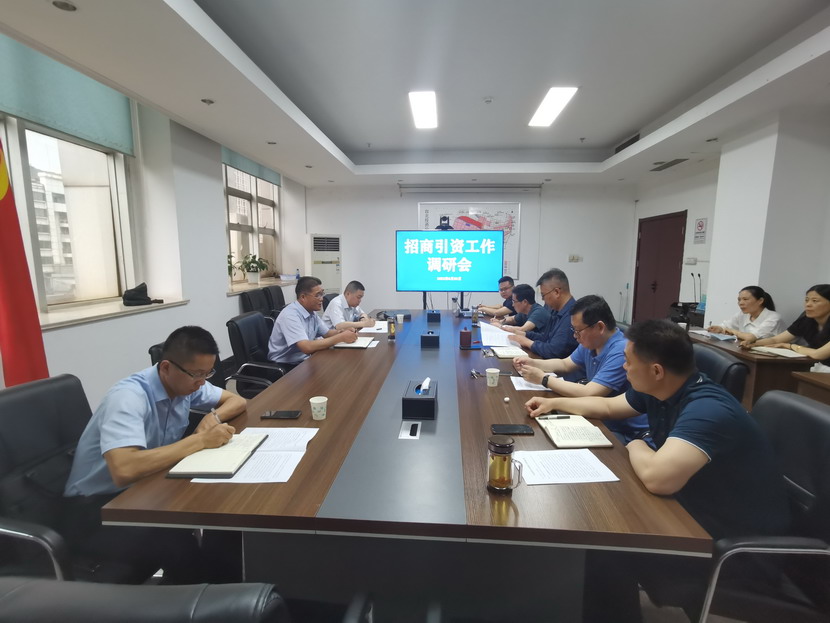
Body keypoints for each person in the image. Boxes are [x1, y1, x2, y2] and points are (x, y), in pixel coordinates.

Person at [525, 319, 790, 622]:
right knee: (602, 528)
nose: (624, 367)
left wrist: (637, 444)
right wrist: (553, 403)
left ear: (656, 371)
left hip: (735, 549)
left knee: (605, 544)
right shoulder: (663, 388)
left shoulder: (708, 410)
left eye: (628, 361)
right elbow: (609, 407)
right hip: (693, 514)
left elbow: (658, 479)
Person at [63, 326, 247, 582]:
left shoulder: (186, 385)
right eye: (197, 374)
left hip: (146, 487)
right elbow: (124, 470)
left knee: (225, 513)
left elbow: (237, 401)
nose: (202, 382)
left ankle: (224, 586)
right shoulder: (128, 398)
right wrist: (200, 441)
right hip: (97, 507)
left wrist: (213, 416)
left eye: (208, 373)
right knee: (178, 543)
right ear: (166, 368)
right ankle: (198, 594)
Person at [514, 295, 648, 443]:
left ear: (600, 327)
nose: (575, 335)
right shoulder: (591, 342)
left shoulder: (620, 350)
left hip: (624, 431)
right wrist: (533, 363)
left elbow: (590, 392)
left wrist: (544, 379)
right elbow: (565, 364)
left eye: (578, 330)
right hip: (598, 416)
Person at [268, 276, 358, 367]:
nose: (322, 299)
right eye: (317, 295)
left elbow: (327, 333)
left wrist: (342, 332)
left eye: (322, 294)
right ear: (303, 297)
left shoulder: (311, 312)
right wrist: (341, 337)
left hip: (304, 359)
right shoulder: (290, 315)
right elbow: (307, 347)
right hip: (284, 365)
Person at [741, 284, 830, 371]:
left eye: (815, 301)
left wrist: (789, 346)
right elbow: (775, 340)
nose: (808, 304)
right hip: (820, 366)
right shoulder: (806, 320)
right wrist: (753, 344)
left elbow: (817, 354)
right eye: (806, 300)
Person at [506, 268, 578, 360]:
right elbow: (545, 337)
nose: (543, 300)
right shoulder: (555, 310)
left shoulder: (573, 315)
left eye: (543, 295)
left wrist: (526, 342)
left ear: (556, 292)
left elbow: (554, 351)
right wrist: (523, 334)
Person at [706, 285, 784, 340]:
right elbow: (727, 325)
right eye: (739, 300)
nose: (741, 303)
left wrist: (732, 331)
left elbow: (751, 337)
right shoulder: (742, 314)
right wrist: (719, 328)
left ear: (760, 301)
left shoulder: (773, 317)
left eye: (745, 299)